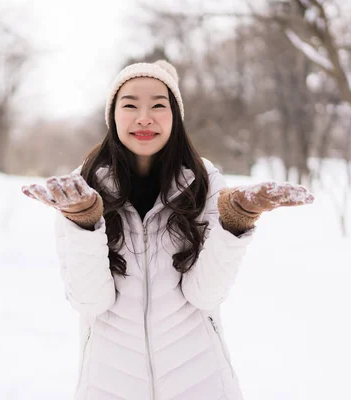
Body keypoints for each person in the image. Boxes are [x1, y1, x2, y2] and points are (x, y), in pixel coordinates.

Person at [22, 60, 314, 400]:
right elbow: (90, 301)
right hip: (108, 385)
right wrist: (83, 221)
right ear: (112, 116)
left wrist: (238, 218)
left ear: (175, 116)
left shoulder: (203, 182)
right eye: (130, 105)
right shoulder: (81, 188)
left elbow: (205, 295)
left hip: (201, 382)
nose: (144, 117)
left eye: (158, 106)